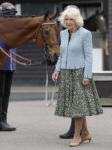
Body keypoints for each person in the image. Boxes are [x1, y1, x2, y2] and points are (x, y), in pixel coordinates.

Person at [52, 5, 103, 147]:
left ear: (77, 20)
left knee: (78, 106)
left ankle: (77, 136)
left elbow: (89, 56)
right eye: (66, 19)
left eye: (71, 19)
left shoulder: (85, 34)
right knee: (76, 106)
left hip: (80, 73)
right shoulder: (63, 33)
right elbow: (62, 55)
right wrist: (57, 70)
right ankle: (85, 133)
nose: (68, 22)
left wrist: (87, 75)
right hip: (67, 74)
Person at [0, 2, 17, 131]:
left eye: (13, 15)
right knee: (0, 92)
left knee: (7, 92)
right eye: (9, 14)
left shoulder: (13, 27)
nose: (11, 17)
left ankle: (4, 119)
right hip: (1, 64)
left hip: (11, 63)